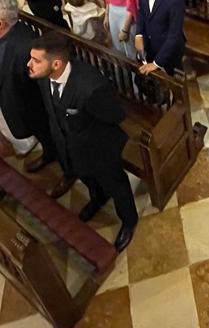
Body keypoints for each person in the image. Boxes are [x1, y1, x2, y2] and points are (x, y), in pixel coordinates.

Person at [28, 33, 138, 252]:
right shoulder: (44, 75)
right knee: (84, 174)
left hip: (99, 147)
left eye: (36, 60)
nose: (29, 64)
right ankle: (97, 197)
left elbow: (115, 116)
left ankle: (128, 220)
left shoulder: (91, 87)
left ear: (56, 63)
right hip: (69, 143)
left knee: (116, 185)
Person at [0, 0, 66, 186]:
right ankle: (49, 153)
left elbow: (45, 88)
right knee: (45, 138)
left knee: (56, 140)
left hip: (37, 110)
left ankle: (69, 171)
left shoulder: (25, 47)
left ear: (0, 24)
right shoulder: (1, 37)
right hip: (26, 108)